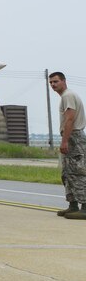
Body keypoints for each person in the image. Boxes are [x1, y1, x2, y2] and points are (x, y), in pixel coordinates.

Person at [48, 72, 86, 219]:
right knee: (67, 173)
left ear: (63, 81)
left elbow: (70, 119)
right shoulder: (65, 96)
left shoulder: (68, 96)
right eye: (50, 82)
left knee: (78, 172)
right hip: (70, 136)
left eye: (55, 81)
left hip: (74, 137)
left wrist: (65, 141)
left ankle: (84, 207)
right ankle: (73, 205)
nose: (53, 85)